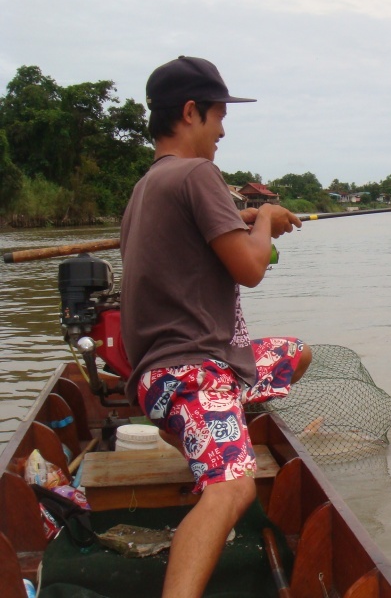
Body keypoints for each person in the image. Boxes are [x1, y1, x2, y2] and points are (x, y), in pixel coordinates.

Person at [119, 55, 312, 597]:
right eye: (219, 115)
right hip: (190, 374)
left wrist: (248, 220)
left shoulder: (146, 188)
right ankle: (216, 453)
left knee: (296, 354)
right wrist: (268, 220)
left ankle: (210, 432)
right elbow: (250, 270)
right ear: (189, 112)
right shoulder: (197, 173)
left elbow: (204, 239)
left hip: (166, 378)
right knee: (234, 490)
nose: (223, 129)